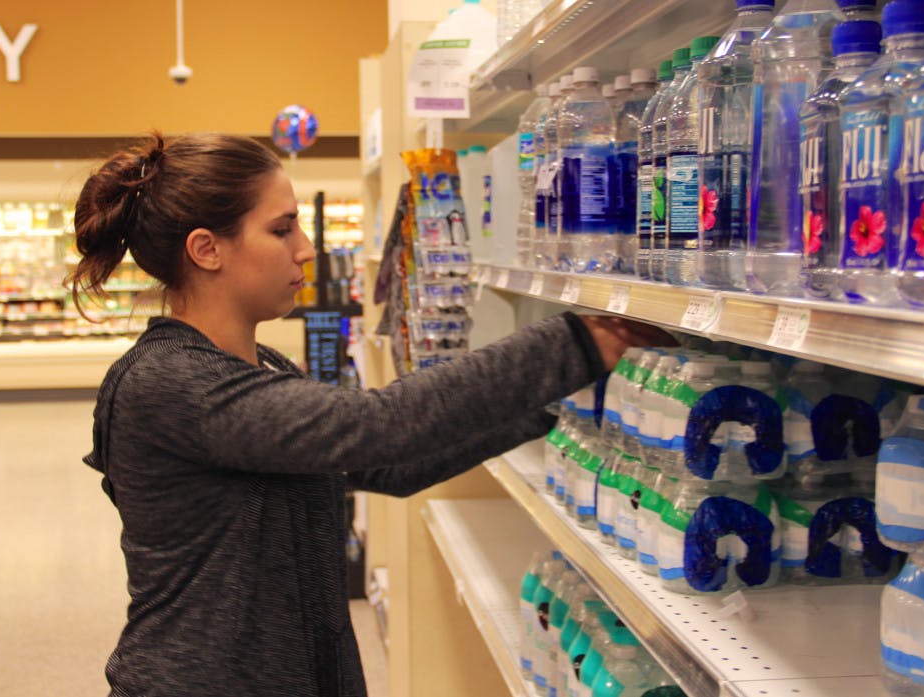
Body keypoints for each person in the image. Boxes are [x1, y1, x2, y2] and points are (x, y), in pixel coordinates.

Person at [69, 132, 676, 697]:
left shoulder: (264, 365)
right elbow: (378, 425)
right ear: (206, 250)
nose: (306, 249)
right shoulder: (169, 382)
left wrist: (546, 404)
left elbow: (388, 466)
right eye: (282, 230)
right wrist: (576, 343)